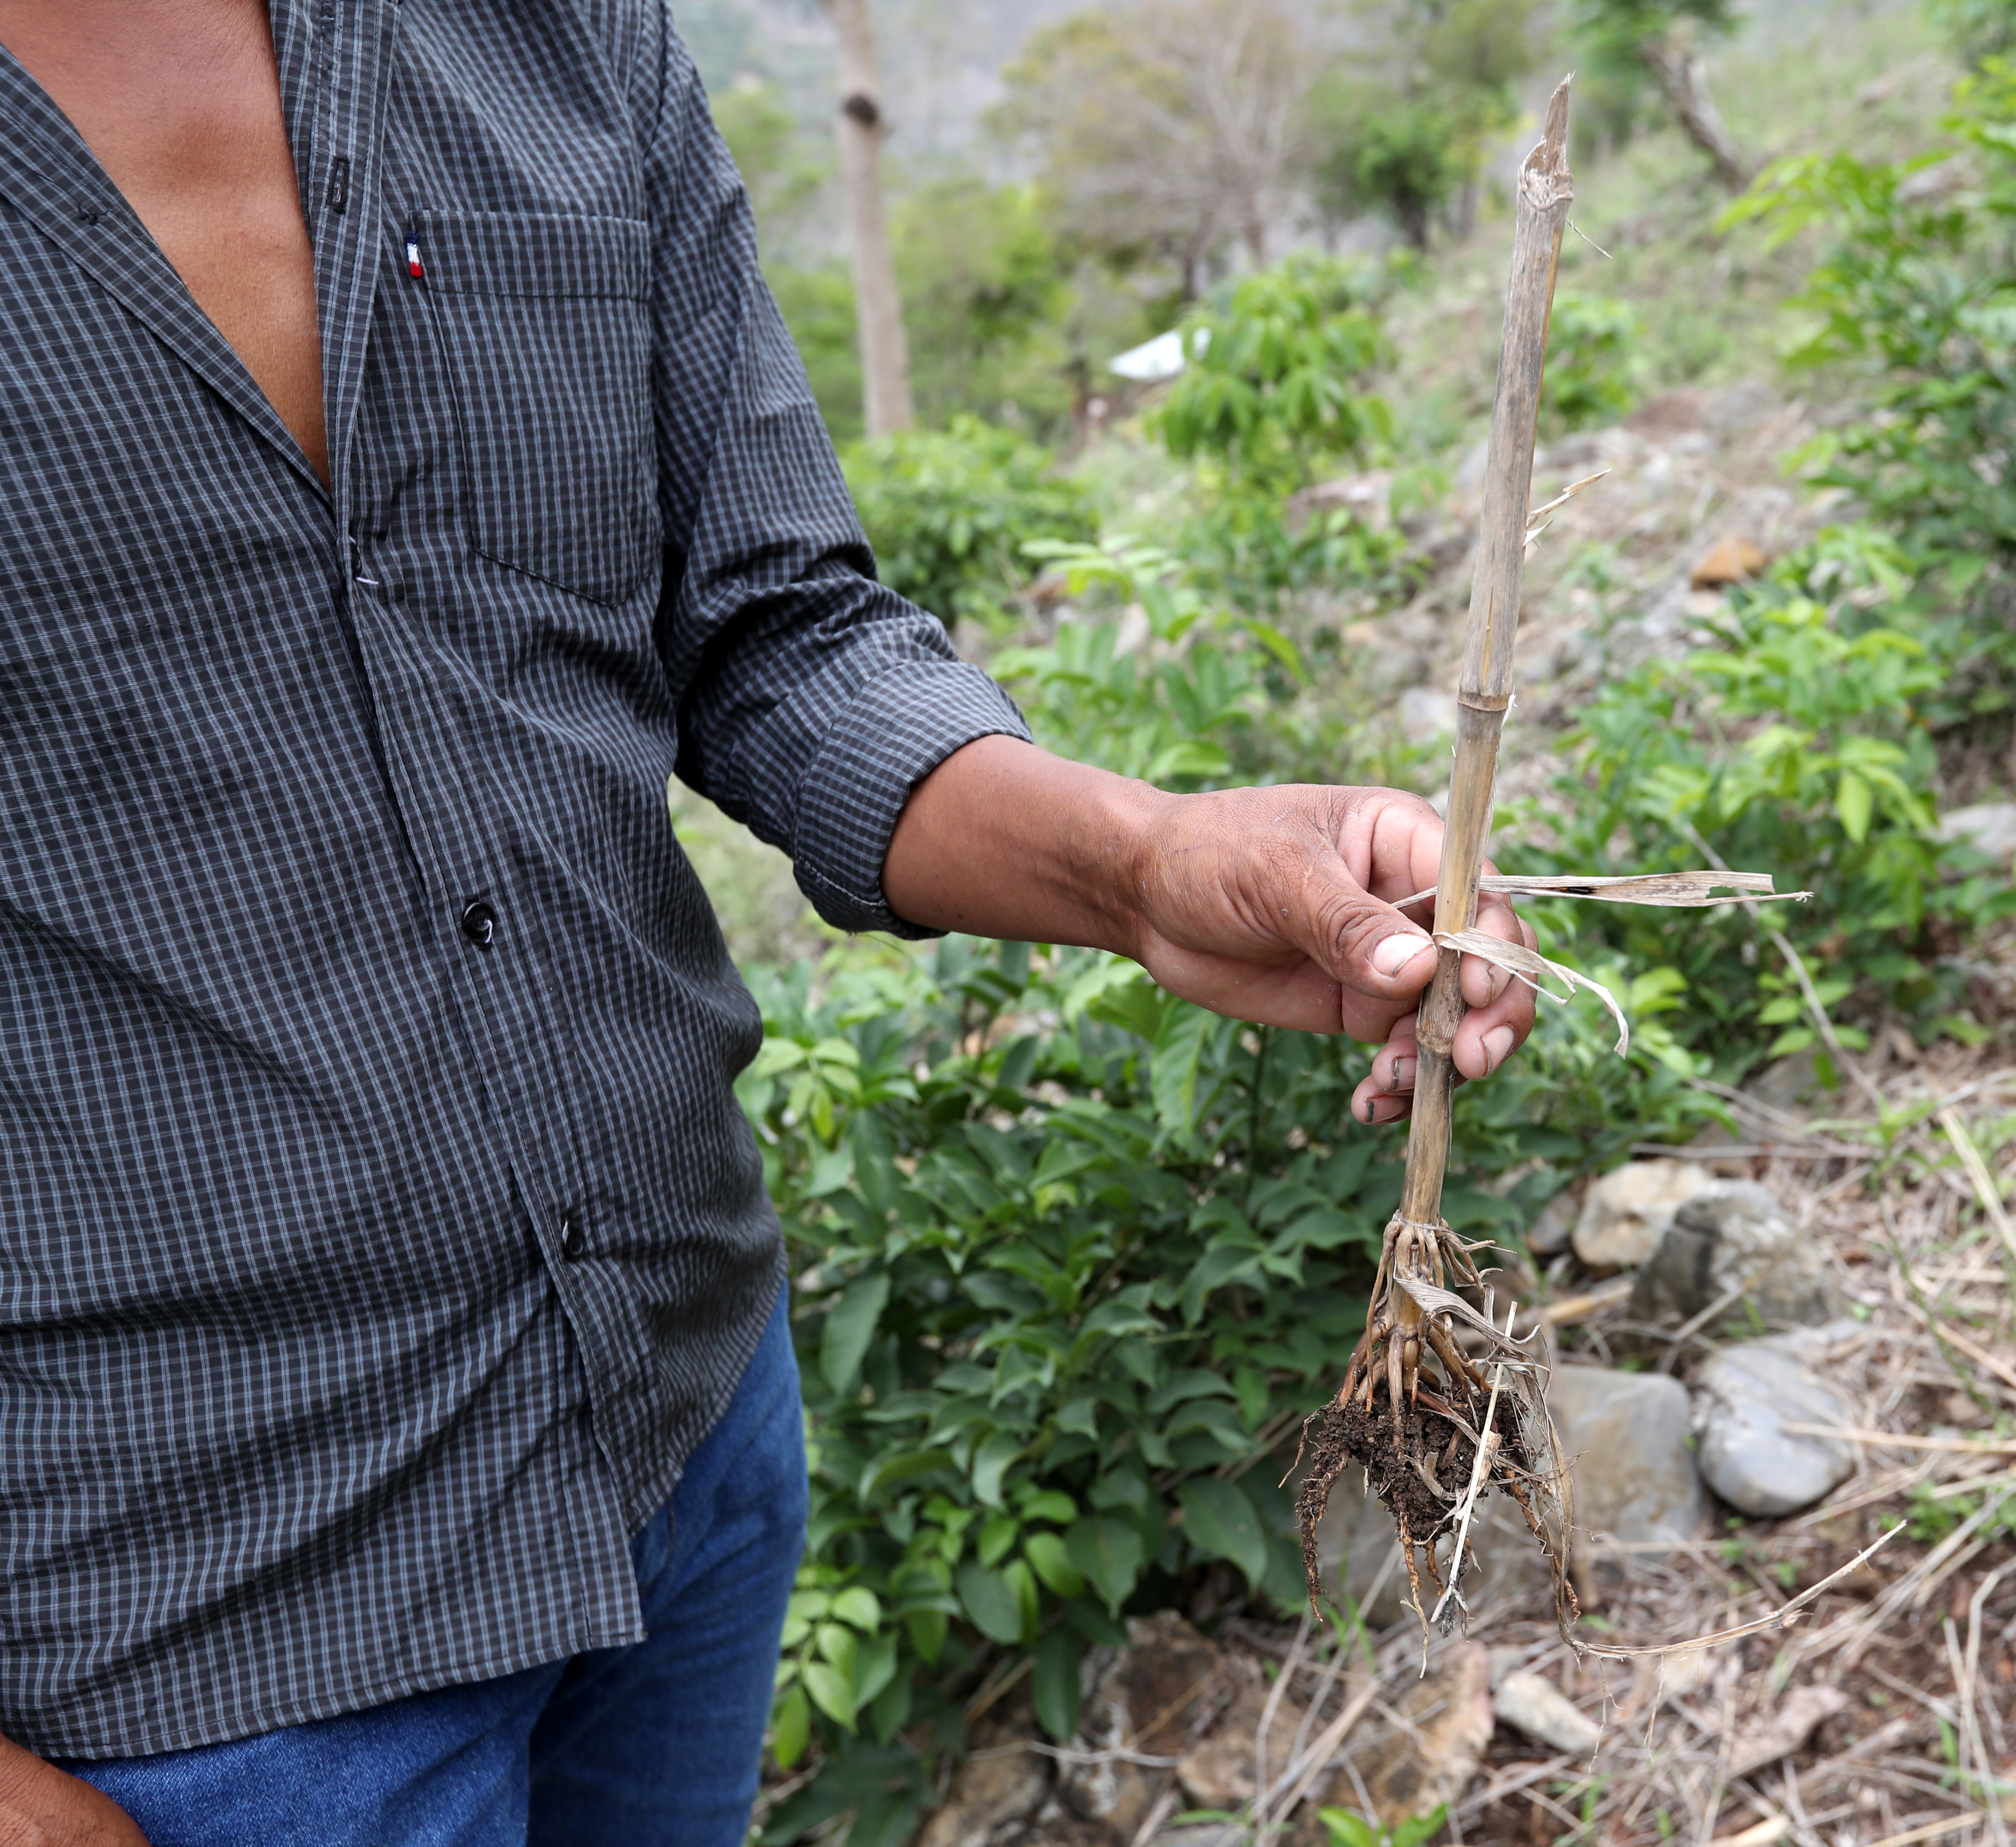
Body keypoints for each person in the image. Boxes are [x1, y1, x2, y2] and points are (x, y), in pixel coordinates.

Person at [0, 4, 1533, 1842]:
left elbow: (764, 624)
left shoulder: (550, 30)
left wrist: (1143, 864)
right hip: (192, 1672)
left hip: (684, 1429)